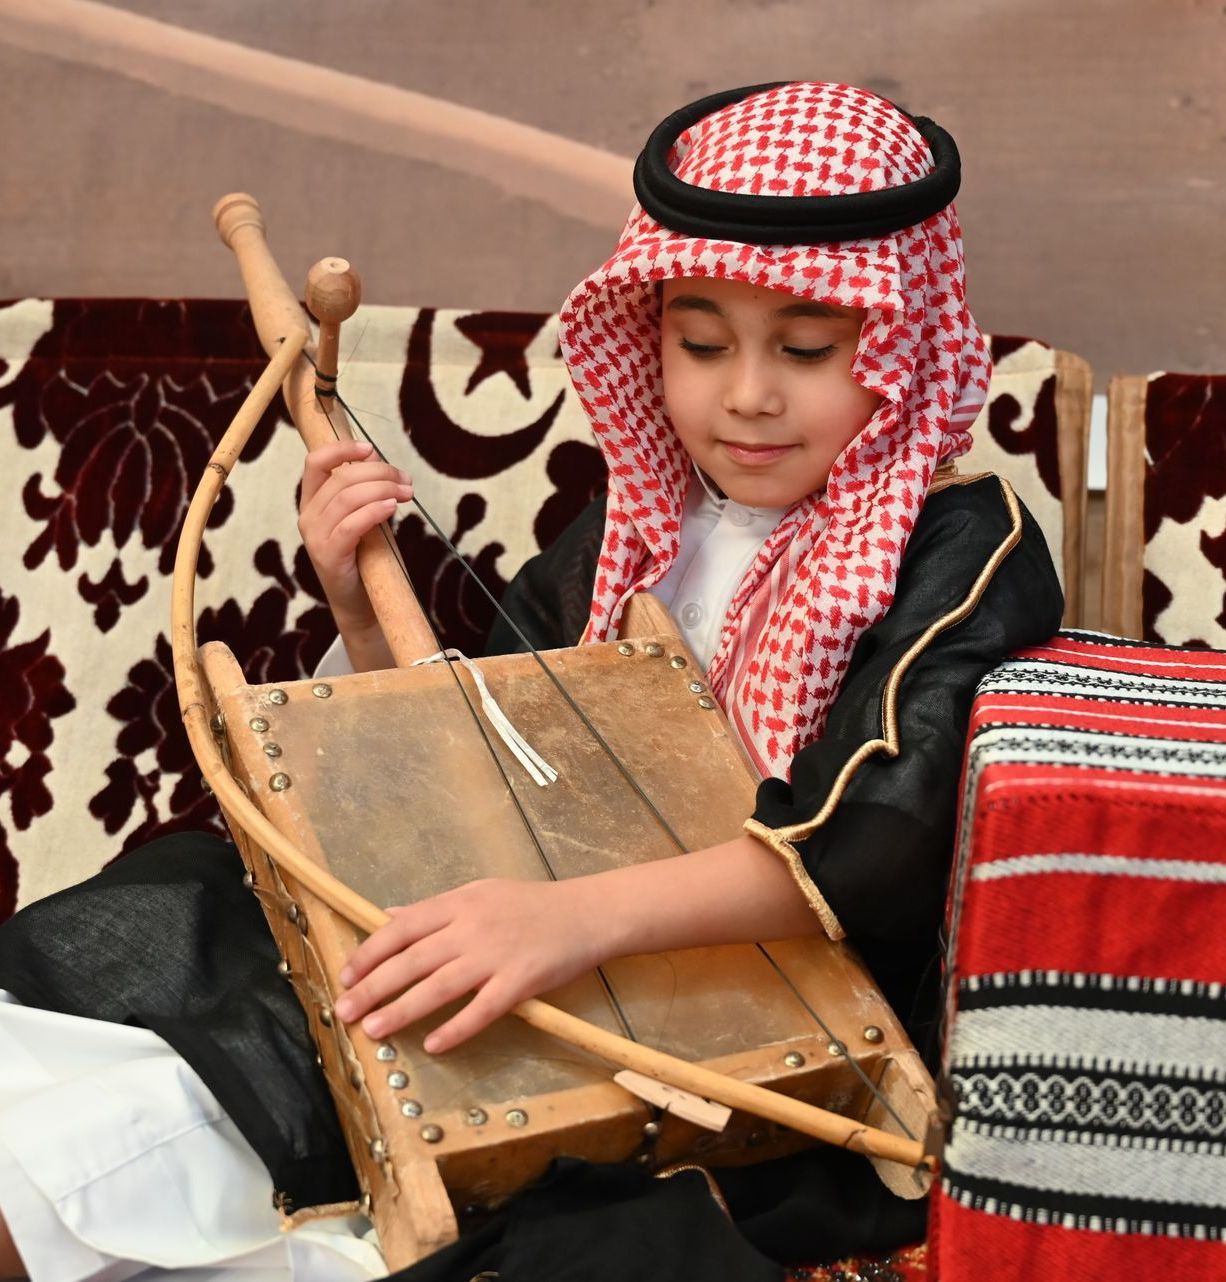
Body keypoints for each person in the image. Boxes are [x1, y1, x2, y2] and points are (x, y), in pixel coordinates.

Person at [0, 82, 1063, 1280]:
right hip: (537, 937)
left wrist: (561, 919)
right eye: (700, 342)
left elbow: (874, 838)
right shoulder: (640, 521)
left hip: (764, 1030)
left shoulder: (968, 553)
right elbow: (484, 747)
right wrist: (356, 598)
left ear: (903, 342)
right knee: (188, 919)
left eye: (807, 348)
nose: (748, 394)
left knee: (319, 1082)